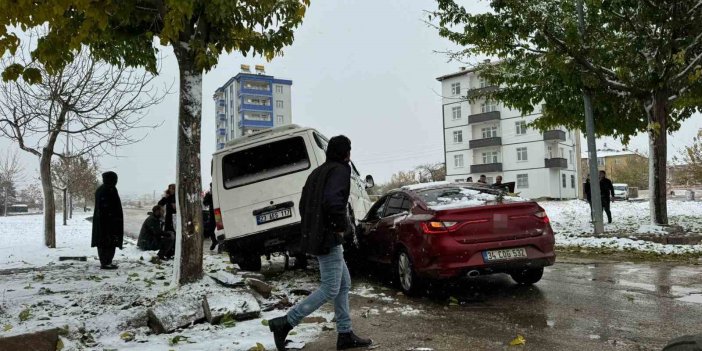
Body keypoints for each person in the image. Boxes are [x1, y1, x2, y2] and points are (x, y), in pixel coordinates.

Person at [268, 135, 372, 351]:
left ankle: (344, 334)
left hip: (318, 235)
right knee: (330, 288)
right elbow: (334, 201)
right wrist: (338, 226)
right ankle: (286, 322)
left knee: (343, 284)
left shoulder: (317, 172)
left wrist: (313, 227)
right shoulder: (341, 170)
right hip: (329, 237)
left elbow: (303, 203)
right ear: (346, 153)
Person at [91, 171, 124, 270]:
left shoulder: (102, 189)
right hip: (108, 222)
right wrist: (113, 219)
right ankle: (106, 262)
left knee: (104, 242)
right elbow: (108, 207)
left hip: (104, 222)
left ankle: (106, 262)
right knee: (108, 242)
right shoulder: (109, 189)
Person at [202, 183, 217, 250]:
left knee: (222, 228)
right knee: (211, 229)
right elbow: (205, 203)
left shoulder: (219, 191)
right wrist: (209, 195)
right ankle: (214, 241)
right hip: (213, 213)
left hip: (219, 213)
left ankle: (222, 243)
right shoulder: (209, 194)